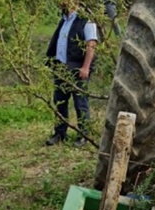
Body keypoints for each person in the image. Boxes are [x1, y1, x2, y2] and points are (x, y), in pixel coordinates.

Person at [45, 0, 98, 148]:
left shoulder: (86, 20)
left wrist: (86, 68)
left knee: (80, 103)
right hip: (62, 68)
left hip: (78, 68)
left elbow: (91, 45)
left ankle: (84, 135)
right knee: (59, 101)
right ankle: (59, 133)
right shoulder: (63, 20)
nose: (61, 3)